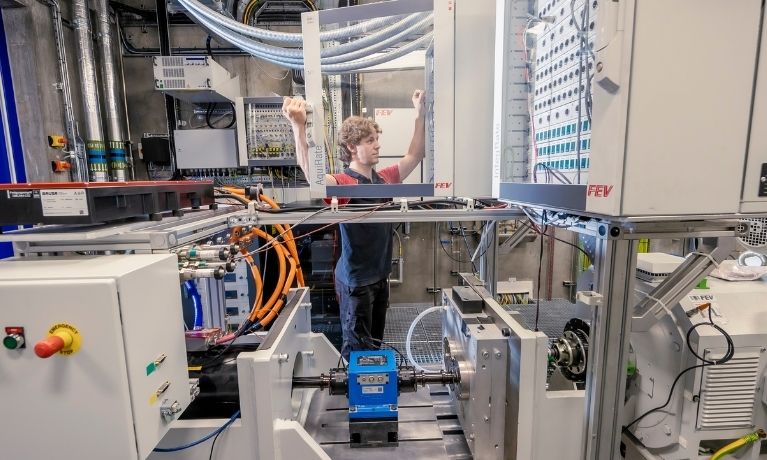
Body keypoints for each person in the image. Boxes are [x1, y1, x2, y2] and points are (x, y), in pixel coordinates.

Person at [283, 90, 426, 360]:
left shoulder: (383, 178)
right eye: (370, 141)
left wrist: (420, 113)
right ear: (351, 147)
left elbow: (414, 155)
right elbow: (315, 181)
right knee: (359, 351)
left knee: (374, 344)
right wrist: (298, 127)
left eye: (376, 140)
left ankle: (372, 392)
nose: (377, 146)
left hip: (379, 277)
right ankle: (356, 398)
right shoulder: (345, 182)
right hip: (356, 283)